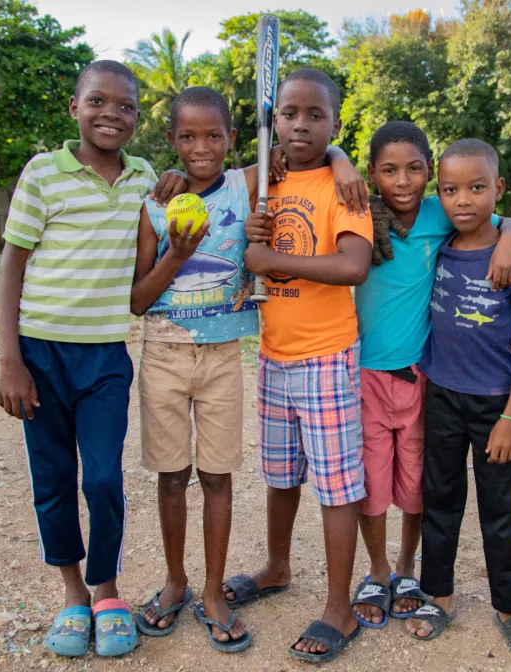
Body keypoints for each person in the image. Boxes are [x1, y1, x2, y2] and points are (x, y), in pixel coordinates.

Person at [128, 86, 367, 653]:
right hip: (247, 355)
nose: (201, 147)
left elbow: (350, 256)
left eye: (214, 136)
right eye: (288, 115)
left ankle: (319, 606)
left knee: (299, 483)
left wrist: (344, 156)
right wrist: (179, 247)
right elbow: (139, 297)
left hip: (292, 353)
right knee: (258, 476)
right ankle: (230, 574)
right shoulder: (190, 193)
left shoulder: (297, 180)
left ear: (233, 139)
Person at [0, 60, 182, 658]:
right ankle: (74, 594)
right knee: (52, 478)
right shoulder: (44, 173)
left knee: (102, 479)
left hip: (105, 356)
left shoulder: (143, 177)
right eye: (98, 101)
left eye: (126, 105)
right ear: (75, 108)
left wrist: (176, 178)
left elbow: (167, 211)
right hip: (40, 355)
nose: (113, 114)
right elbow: (11, 265)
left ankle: (108, 591)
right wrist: (9, 360)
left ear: (135, 117)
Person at [351, 121, 511, 629]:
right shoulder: (363, 217)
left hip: (421, 378)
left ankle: (408, 570)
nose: (402, 181)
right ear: (372, 175)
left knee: (417, 483)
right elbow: (329, 159)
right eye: (389, 171)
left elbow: (500, 217)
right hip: (364, 376)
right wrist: (340, 158)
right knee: (372, 483)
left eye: (414, 170)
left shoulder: (440, 213)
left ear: (429, 175)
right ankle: (378, 571)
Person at [229, 68, 373, 664]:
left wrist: (270, 257)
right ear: (273, 121)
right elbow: (209, 178)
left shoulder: (343, 190)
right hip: (274, 355)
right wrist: (176, 177)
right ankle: (278, 566)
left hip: (326, 355)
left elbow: (353, 266)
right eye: (289, 113)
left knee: (336, 488)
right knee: (281, 474)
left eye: (316, 116)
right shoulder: (265, 179)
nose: (301, 125)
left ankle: (339, 606)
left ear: (335, 124)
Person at [399, 139, 511, 656]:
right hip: (441, 396)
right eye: (451, 189)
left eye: (478, 188)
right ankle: (439, 594)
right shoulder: (438, 246)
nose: (464, 200)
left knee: (501, 508)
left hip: (493, 404)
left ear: (497, 190)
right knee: (441, 500)